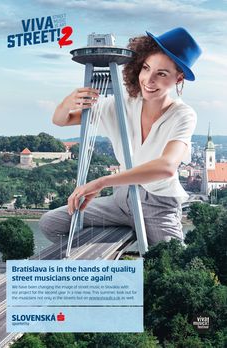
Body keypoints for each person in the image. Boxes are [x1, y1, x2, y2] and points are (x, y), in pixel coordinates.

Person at [39, 27, 202, 248]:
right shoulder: (122, 105)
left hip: (158, 205)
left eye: (161, 74)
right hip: (121, 201)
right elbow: (62, 120)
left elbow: (167, 167)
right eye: (146, 68)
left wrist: (100, 183)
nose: (148, 80)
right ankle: (111, 254)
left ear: (179, 77)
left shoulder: (183, 115)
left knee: (173, 263)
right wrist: (69, 100)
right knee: (51, 223)